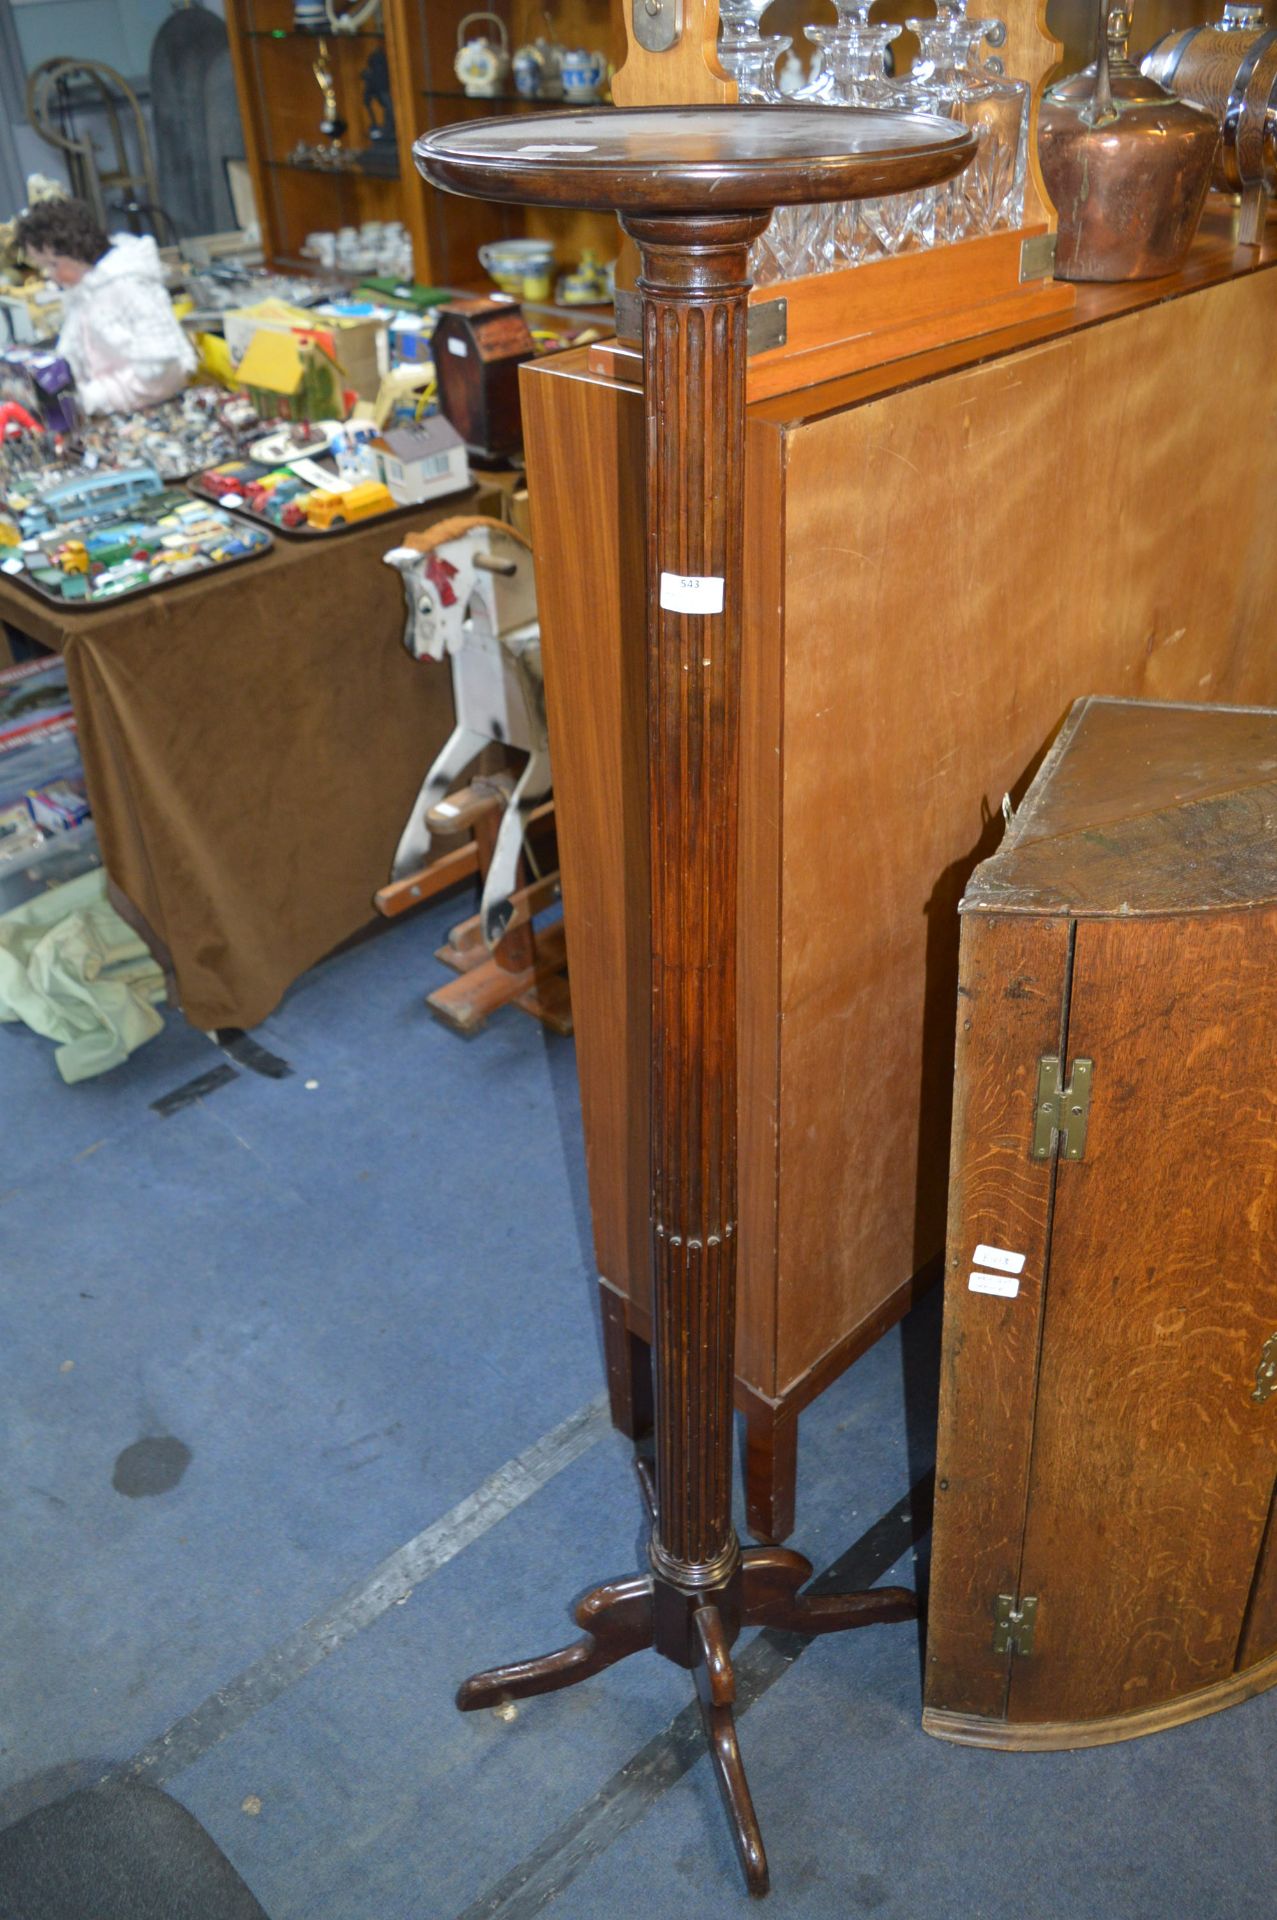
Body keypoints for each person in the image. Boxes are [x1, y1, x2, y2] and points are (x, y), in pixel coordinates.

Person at [14, 199, 195, 415]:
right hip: (114, 409)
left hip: (149, 410)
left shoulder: (127, 285)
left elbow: (163, 373)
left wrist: (89, 399)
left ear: (76, 250)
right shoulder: (84, 289)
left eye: (53, 265)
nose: (51, 276)